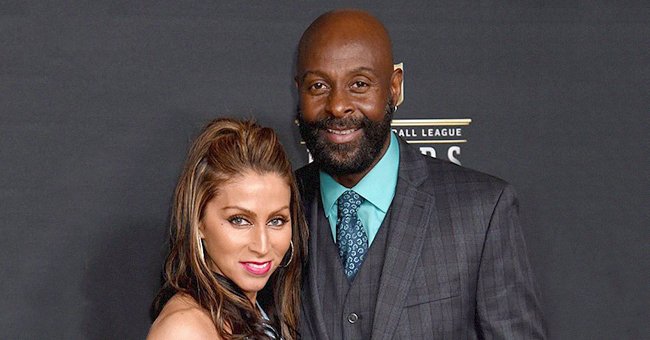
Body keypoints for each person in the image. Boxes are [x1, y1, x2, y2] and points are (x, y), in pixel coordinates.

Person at [293, 9, 546, 339]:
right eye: (319, 85)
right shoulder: (275, 209)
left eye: (359, 84)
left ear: (395, 87)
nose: (338, 106)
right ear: (299, 91)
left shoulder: (482, 212)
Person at [147, 118, 308, 340]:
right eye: (239, 220)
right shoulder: (184, 330)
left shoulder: (258, 313)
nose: (262, 246)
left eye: (276, 221)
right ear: (199, 221)